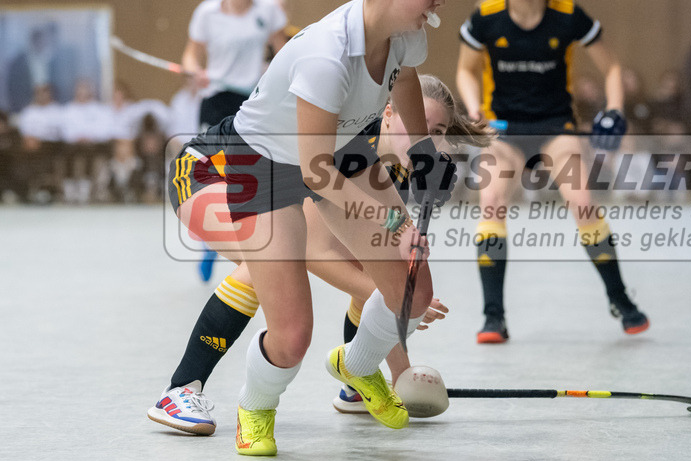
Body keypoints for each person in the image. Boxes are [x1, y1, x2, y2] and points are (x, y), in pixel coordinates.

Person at [162, 0, 456, 455]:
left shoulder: (406, 33)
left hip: (343, 148)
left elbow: (406, 79)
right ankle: (254, 408)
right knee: (293, 334)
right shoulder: (327, 55)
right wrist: (394, 219)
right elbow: (315, 169)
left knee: (412, 292)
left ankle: (357, 366)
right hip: (265, 163)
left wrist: (422, 153)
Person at [150, 74, 490, 433]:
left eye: (437, 132)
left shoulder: (398, 168)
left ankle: (356, 382)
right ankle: (179, 389)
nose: (426, 140)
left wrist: (401, 371)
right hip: (206, 172)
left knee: (370, 262)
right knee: (271, 258)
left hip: (264, 183)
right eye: (417, 125)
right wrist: (399, 303)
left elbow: (377, 270)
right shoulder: (354, 148)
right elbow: (315, 252)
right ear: (389, 113)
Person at [456, 0, 650, 343]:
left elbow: (612, 68)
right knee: (491, 203)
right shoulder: (486, 18)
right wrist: (474, 110)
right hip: (504, 130)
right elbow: (465, 71)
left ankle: (619, 298)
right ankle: (494, 317)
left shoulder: (567, 15)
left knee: (582, 203)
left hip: (556, 128)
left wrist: (615, 109)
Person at [182, 0, 289, 281]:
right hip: (215, 99)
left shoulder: (268, 9)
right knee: (214, 175)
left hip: (252, 101)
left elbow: (284, 51)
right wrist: (194, 71)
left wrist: (278, 76)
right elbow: (190, 56)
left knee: (244, 177)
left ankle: (246, 245)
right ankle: (208, 244)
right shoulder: (207, 12)